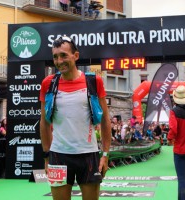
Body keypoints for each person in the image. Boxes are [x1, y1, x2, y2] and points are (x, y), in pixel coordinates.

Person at [39, 35, 111, 200]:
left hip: (89, 155)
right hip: (58, 155)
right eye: (55, 57)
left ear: (76, 56)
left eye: (63, 55)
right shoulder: (48, 83)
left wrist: (105, 154)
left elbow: (106, 120)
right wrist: (46, 157)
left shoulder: (94, 81)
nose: (59, 61)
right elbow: (44, 122)